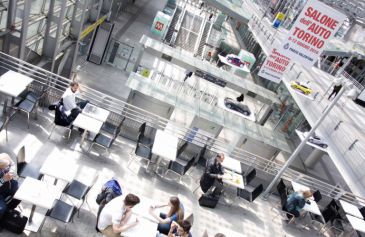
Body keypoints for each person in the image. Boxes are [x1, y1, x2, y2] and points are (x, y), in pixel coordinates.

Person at [0, 153, 21, 221]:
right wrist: (3, 180)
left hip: (9, 185)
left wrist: (11, 172)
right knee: (1, 209)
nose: (6, 168)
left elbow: (12, 164)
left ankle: (9, 210)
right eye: (3, 167)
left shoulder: (4, 156)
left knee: (19, 195)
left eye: (7, 166)